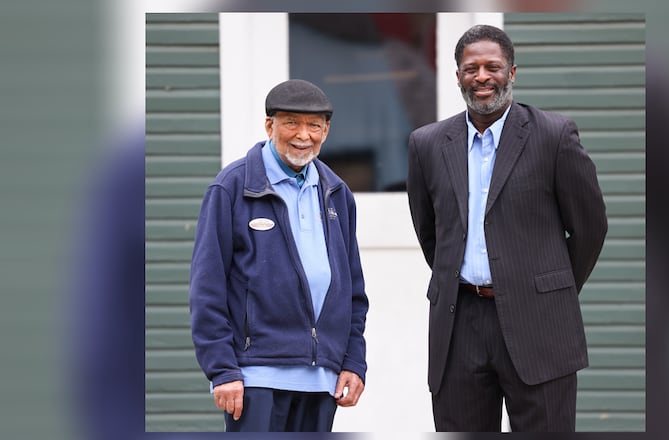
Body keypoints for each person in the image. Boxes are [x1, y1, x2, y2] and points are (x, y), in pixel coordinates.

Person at [406, 25, 608, 432]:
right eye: (471, 68)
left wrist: (549, 288)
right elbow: (431, 233)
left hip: (540, 323)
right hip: (458, 322)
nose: (481, 76)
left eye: (492, 66)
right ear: (458, 75)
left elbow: (590, 228)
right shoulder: (426, 144)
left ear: (512, 72)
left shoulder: (554, 135)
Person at [189, 79, 369, 432]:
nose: (303, 135)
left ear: (326, 131)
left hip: (322, 378)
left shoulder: (337, 194)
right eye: (291, 122)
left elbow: (353, 292)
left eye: (314, 125)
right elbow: (206, 288)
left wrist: (353, 361)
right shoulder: (232, 188)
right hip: (255, 375)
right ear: (269, 125)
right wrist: (222, 369)